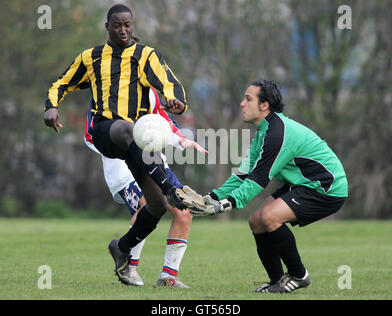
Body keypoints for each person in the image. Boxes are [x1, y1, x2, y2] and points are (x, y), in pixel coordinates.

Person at [43, 4, 203, 285]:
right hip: (108, 133)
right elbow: (61, 82)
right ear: (107, 27)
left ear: (133, 25)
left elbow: (168, 83)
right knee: (128, 130)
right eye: (117, 25)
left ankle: (123, 248)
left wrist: (177, 102)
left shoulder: (145, 56)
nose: (123, 30)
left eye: (128, 25)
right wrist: (51, 106)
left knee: (155, 206)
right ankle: (174, 190)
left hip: (136, 145)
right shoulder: (91, 57)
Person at [181, 80, 348, 293]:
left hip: (327, 188)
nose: (242, 104)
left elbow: (258, 179)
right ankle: (277, 281)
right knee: (256, 222)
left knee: (269, 218)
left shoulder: (278, 134)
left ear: (264, 105)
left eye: (248, 99)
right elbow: (243, 174)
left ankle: (299, 275)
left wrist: (225, 204)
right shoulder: (264, 132)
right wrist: (211, 197)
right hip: (304, 184)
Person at [84, 88, 207, 288]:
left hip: (152, 160)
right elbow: (91, 134)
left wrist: (181, 140)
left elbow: (161, 122)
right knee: (145, 205)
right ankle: (129, 267)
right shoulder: (106, 88)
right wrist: (123, 145)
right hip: (121, 165)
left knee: (184, 211)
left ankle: (168, 277)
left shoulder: (149, 93)